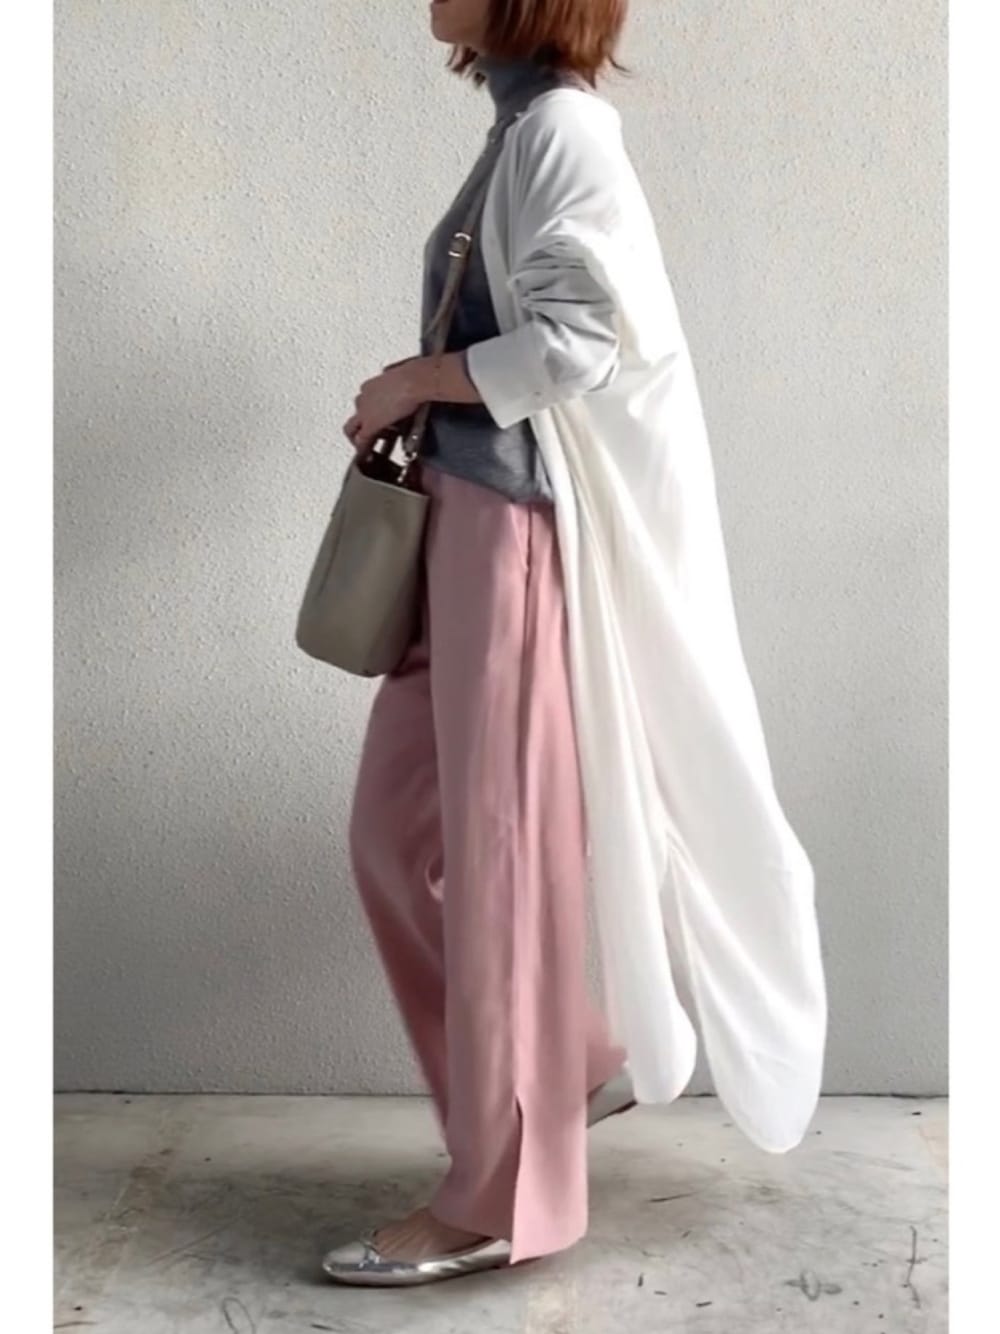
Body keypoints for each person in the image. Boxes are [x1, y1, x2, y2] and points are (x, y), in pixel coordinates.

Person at [323, 0, 827, 1289]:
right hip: (461, 518)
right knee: (394, 836)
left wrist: (413, 382)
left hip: (514, 537)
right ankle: (573, 1065)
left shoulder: (563, 134)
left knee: (500, 866)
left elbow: (580, 346)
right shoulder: (519, 129)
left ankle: (502, 1195)